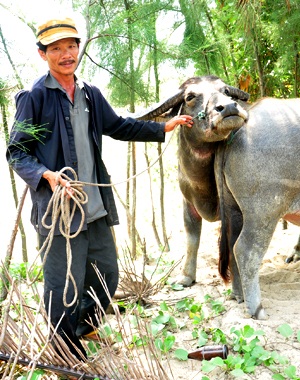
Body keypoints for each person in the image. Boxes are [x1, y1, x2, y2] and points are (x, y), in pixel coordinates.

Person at [6, 16, 193, 360]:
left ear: (79, 48)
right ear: (42, 54)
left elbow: (118, 125)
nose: (66, 54)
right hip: (59, 212)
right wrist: (46, 175)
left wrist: (163, 127)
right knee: (64, 284)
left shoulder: (90, 93)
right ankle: (65, 351)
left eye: (71, 46)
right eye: (57, 48)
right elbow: (16, 152)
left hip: (94, 207)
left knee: (106, 274)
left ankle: (84, 326)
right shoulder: (34, 97)